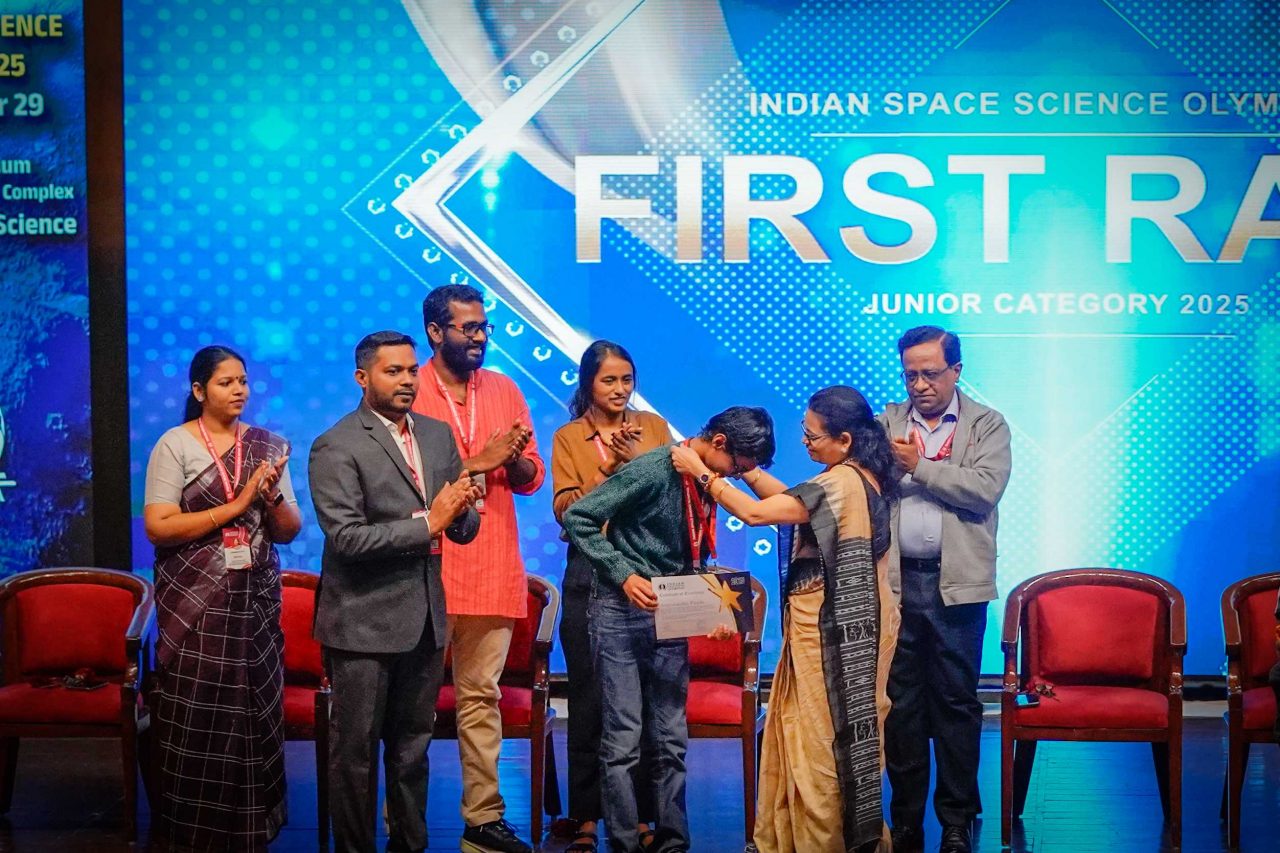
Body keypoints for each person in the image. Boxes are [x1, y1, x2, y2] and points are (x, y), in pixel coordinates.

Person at [670, 386, 899, 853]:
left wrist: (704, 474)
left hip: (833, 636)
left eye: (812, 436)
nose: (804, 442)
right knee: (821, 738)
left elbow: (759, 515)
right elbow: (792, 503)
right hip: (844, 629)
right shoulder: (854, 477)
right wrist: (746, 469)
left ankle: (823, 843)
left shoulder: (843, 483)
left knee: (819, 748)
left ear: (845, 440)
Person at [563, 407, 776, 853]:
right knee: (623, 738)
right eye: (736, 466)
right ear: (719, 442)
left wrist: (714, 612)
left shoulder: (701, 479)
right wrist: (622, 573)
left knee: (670, 739)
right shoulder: (653, 470)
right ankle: (624, 842)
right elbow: (579, 517)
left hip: (671, 609)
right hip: (620, 610)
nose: (734, 476)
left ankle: (673, 842)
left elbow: (693, 551)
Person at [309, 331, 481, 853]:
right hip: (361, 623)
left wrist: (463, 511)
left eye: (410, 370)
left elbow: (463, 525)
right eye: (393, 371)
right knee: (355, 755)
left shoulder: (436, 435)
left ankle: (411, 844)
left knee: (413, 750)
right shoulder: (336, 444)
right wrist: (430, 522)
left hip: (425, 619)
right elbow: (347, 538)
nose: (407, 380)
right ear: (362, 378)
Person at [143, 344, 302, 851]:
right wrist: (237, 505)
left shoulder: (268, 447)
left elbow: (288, 531)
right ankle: (192, 832)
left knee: (254, 711)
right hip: (195, 609)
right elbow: (158, 526)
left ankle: (252, 829)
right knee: (197, 717)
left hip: (254, 606)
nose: (239, 391)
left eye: (243, 381)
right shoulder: (175, 444)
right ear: (199, 390)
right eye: (225, 382)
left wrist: (270, 495)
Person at [412, 284, 545, 853]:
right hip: (425, 570)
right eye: (468, 328)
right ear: (435, 332)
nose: (480, 337)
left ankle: (484, 819)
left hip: (491, 566)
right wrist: (478, 460)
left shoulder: (505, 389)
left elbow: (532, 477)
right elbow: (405, 479)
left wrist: (513, 461)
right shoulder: (410, 388)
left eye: (483, 327)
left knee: (480, 698)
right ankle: (403, 823)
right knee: (413, 705)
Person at [879, 326, 1012, 853]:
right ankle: (906, 821)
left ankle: (957, 819)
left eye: (930, 374)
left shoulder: (986, 424)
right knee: (901, 707)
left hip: (958, 586)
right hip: (897, 584)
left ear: (956, 371)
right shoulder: (887, 424)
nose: (919, 385)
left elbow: (984, 490)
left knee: (957, 704)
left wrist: (920, 467)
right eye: (910, 374)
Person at [550, 341, 674, 853]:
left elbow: (669, 492)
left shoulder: (655, 429)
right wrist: (610, 470)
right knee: (588, 697)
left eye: (627, 380)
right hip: (590, 571)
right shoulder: (569, 437)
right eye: (609, 381)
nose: (620, 390)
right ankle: (584, 816)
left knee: (642, 702)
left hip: (644, 569)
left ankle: (640, 815)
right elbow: (566, 511)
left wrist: (637, 462)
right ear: (588, 384)